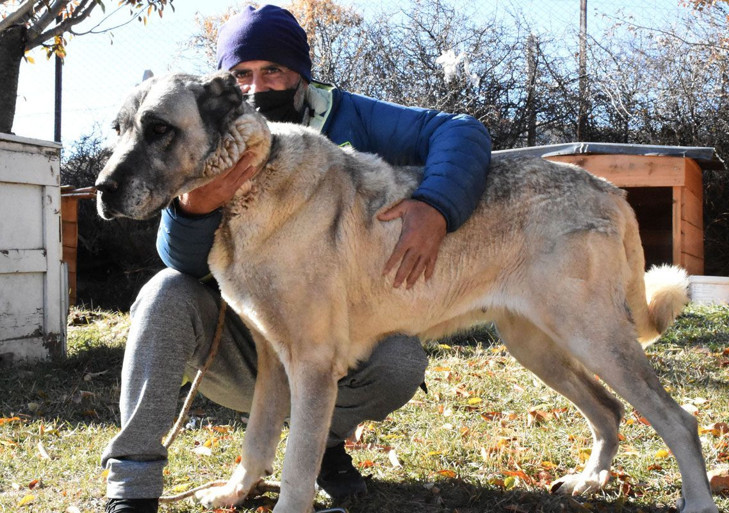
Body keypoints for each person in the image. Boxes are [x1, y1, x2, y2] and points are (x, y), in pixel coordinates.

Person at [102, 5, 491, 513]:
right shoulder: (197, 137)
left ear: (300, 75)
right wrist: (198, 207)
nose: (256, 86)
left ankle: (320, 448)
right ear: (224, 86)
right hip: (239, 335)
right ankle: (132, 486)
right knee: (162, 294)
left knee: (397, 359)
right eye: (242, 74)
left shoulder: (349, 116)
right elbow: (180, 260)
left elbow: (461, 132)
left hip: (335, 333)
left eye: (274, 71)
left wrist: (436, 206)